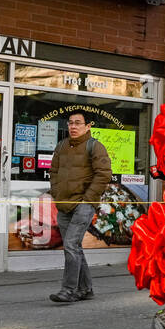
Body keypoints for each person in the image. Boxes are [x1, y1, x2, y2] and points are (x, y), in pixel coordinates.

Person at [47, 112, 112, 303]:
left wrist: (88, 199)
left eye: (78, 123)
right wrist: (57, 194)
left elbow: (104, 174)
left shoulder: (95, 146)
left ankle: (68, 290)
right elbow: (53, 172)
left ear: (88, 126)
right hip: (64, 204)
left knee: (70, 245)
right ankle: (85, 289)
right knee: (74, 247)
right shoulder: (61, 146)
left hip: (83, 204)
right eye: (70, 123)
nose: (73, 126)